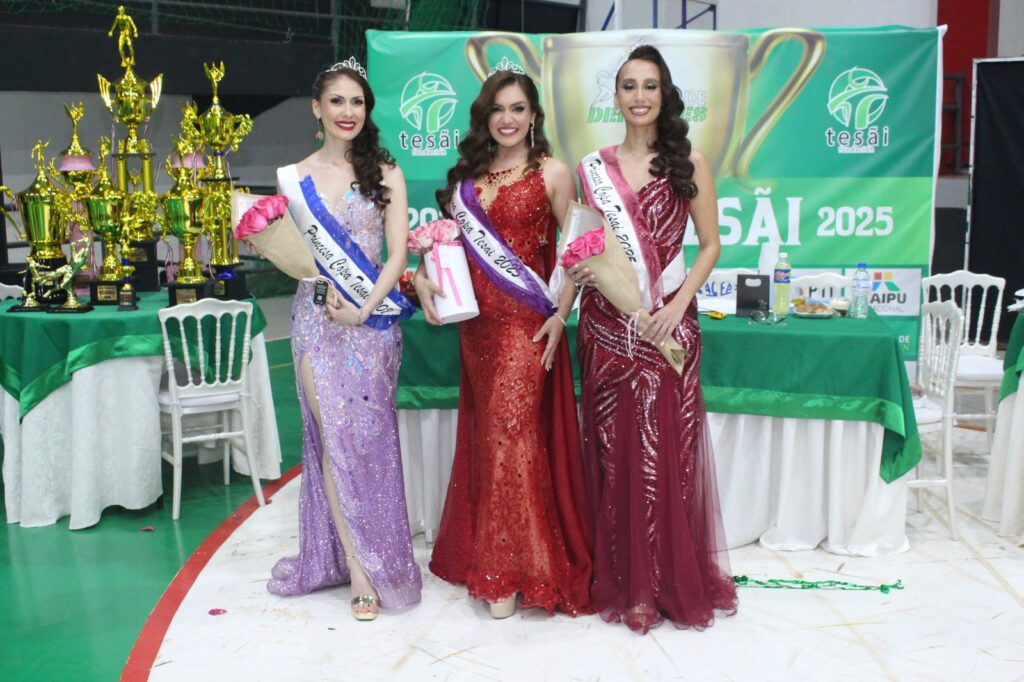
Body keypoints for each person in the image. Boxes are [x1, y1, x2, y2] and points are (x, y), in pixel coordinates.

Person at [570, 45, 737, 633]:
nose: (639, 96)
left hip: (668, 325)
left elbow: (711, 245)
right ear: (615, 97)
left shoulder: (689, 161)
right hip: (606, 326)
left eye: (649, 86)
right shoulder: (592, 168)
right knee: (614, 451)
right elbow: (585, 244)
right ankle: (622, 578)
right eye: (628, 86)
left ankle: (666, 579)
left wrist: (677, 305)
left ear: (664, 95)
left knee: (667, 452)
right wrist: (576, 279)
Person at [416, 67, 592, 619]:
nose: (508, 119)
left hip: (527, 326)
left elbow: (578, 250)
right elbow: (449, 252)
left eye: (518, 109)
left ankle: (512, 571)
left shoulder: (553, 173)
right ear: (485, 117)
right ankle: (497, 555)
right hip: (477, 330)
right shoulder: (467, 179)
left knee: (512, 436)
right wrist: (424, 277)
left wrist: (561, 315)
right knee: (490, 438)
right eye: (498, 109)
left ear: (534, 116)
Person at [266, 59, 421, 621]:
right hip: (315, 325)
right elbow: (293, 256)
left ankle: (377, 550)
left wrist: (364, 308)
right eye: (337, 101)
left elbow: (397, 255)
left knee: (369, 441)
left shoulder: (386, 171)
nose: (348, 111)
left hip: (371, 325)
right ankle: (358, 567)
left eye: (357, 102)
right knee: (333, 438)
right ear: (317, 108)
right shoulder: (292, 177)